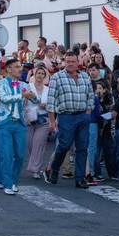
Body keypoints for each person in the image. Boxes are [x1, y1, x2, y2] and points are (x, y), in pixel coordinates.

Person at [45, 52, 94, 188]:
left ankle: (80, 178)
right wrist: (52, 121)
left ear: (77, 62)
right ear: (64, 62)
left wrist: (88, 113)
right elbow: (51, 101)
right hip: (66, 116)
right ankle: (54, 169)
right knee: (64, 145)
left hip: (83, 116)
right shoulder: (57, 77)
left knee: (82, 148)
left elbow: (90, 96)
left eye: (73, 61)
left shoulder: (85, 76)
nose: (70, 64)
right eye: (68, 61)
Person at [0, 59, 39, 194]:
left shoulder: (24, 84)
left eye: (20, 66)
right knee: (7, 154)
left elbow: (36, 100)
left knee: (20, 155)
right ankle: (7, 184)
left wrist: (32, 97)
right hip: (4, 123)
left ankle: (13, 181)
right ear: (9, 69)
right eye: (17, 67)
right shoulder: (0, 84)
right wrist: (22, 95)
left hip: (20, 123)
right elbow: (4, 99)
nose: (20, 69)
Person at [25, 65, 50, 179]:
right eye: (38, 73)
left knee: (38, 144)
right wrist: (25, 117)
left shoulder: (48, 89)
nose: (40, 75)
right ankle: (36, 165)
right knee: (30, 145)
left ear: (45, 76)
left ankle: (35, 169)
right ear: (34, 75)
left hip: (43, 120)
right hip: (30, 119)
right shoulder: (28, 87)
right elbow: (23, 103)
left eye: (42, 74)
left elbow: (53, 104)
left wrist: (46, 105)